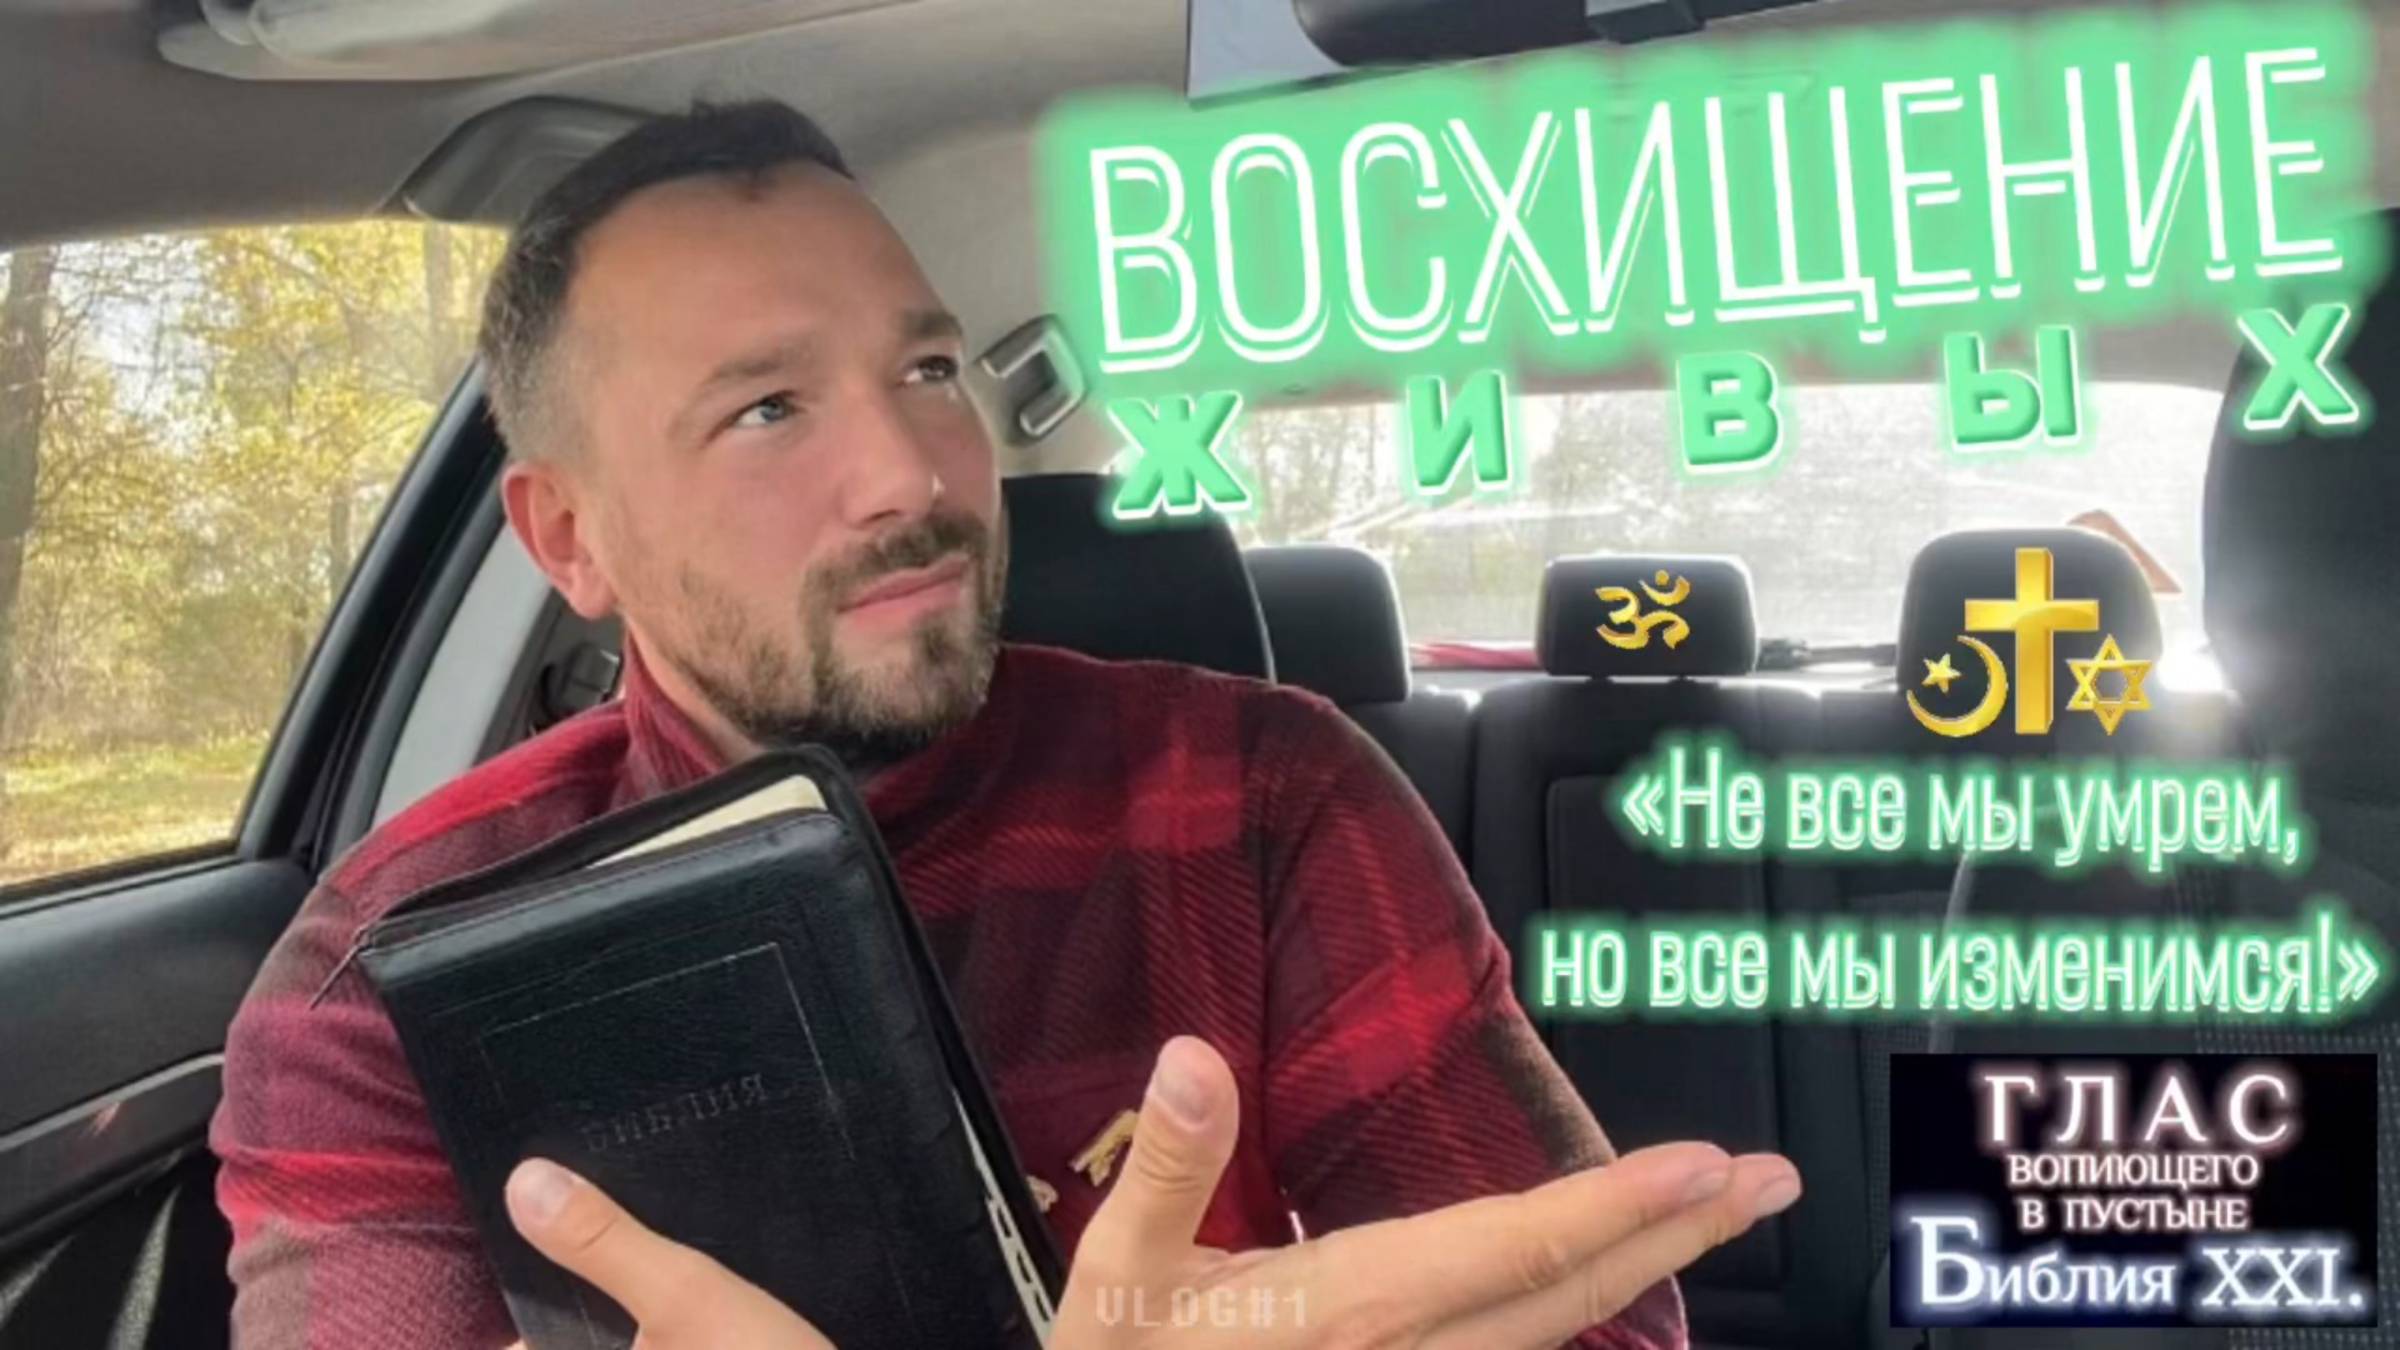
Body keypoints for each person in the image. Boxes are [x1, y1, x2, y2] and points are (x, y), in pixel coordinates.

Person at [209, 99, 1800, 1348]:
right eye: (767, 409)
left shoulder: (1262, 797)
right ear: (568, 537)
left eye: (927, 367)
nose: (912, 472)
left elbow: (1585, 1313)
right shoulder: (390, 974)